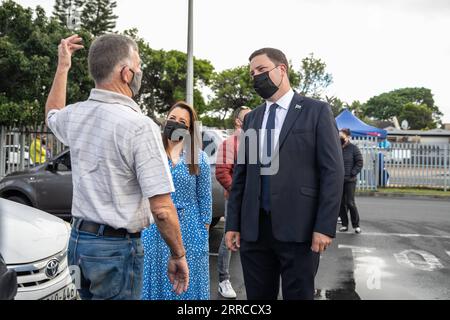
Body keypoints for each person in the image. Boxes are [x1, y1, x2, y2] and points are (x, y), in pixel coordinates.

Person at [45, 34, 189, 300]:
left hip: (78, 243)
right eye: (138, 65)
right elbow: (162, 210)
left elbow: (52, 113)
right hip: (116, 250)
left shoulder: (75, 115)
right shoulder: (138, 125)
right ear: (126, 73)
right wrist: (178, 254)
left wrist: (63, 66)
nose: (139, 71)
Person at [225, 48, 344, 300]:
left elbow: (332, 172)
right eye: (252, 73)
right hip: (255, 232)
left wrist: (324, 226)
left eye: (261, 70)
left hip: (300, 230)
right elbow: (241, 176)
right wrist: (233, 224)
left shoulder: (316, 111)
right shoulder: (252, 119)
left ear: (282, 70)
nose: (256, 76)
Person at [141, 101, 212, 300]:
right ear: (165, 121)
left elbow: (205, 200)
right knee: (157, 279)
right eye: (172, 119)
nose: (176, 123)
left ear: (189, 129)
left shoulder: (198, 158)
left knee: (187, 286)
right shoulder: (152, 154)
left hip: (190, 231)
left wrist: (201, 233)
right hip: (156, 229)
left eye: (182, 121)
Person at [215, 106, 251, 299]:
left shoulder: (255, 143)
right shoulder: (231, 143)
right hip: (236, 201)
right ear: (237, 121)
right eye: (247, 116)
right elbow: (221, 173)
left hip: (254, 203)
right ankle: (223, 280)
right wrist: (240, 194)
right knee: (229, 238)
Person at [338, 128, 363, 234]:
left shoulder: (354, 148)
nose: (340, 137)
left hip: (350, 180)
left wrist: (353, 172)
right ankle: (344, 224)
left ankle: (356, 225)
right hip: (339, 180)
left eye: (342, 136)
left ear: (348, 137)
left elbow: (359, 162)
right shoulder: (337, 147)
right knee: (341, 204)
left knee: (350, 202)